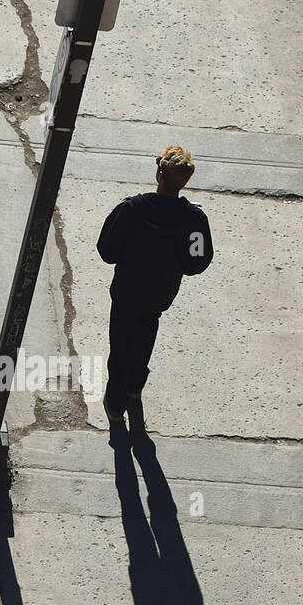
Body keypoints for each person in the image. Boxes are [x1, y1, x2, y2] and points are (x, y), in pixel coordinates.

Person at [97, 145, 213, 425]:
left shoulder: (131, 210)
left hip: (127, 291)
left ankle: (116, 403)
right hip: (160, 293)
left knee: (120, 345)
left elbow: (107, 250)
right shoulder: (195, 220)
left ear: (159, 174)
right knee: (147, 332)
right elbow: (197, 261)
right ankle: (136, 388)